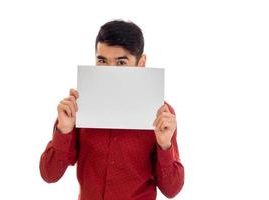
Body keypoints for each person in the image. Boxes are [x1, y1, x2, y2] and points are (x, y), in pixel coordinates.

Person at [40, 20, 184, 200]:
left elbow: (172, 190)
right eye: (102, 61)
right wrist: (64, 130)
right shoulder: (77, 108)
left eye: (121, 62)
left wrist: (165, 145)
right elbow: (49, 174)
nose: (110, 71)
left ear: (141, 63)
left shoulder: (161, 113)